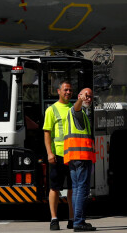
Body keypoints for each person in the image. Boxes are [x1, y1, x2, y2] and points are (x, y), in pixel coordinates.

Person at [63, 88, 96, 231]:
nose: (88, 99)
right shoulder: (77, 111)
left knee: (77, 190)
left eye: (90, 97)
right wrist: (80, 100)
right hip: (81, 157)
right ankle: (78, 222)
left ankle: (78, 221)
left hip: (73, 157)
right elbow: (76, 107)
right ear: (79, 96)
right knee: (82, 189)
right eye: (86, 96)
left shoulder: (82, 113)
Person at [43, 80, 74, 231]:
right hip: (58, 155)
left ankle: (72, 218)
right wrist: (50, 152)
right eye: (65, 90)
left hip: (73, 154)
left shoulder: (74, 108)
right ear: (58, 91)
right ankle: (54, 218)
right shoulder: (51, 110)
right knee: (54, 188)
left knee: (72, 189)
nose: (68, 92)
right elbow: (47, 133)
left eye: (70, 90)